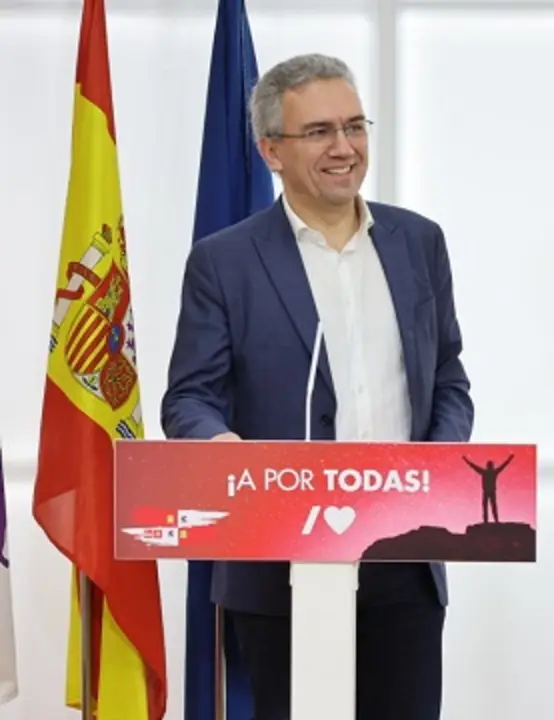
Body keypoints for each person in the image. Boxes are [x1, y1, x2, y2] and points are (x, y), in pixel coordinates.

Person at [161, 53, 472, 719]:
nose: (344, 147)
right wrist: (219, 448)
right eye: (320, 131)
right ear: (271, 150)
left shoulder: (419, 242)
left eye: (354, 126)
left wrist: (438, 464)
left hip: (405, 554)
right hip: (278, 563)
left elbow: (449, 377)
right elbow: (188, 398)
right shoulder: (225, 261)